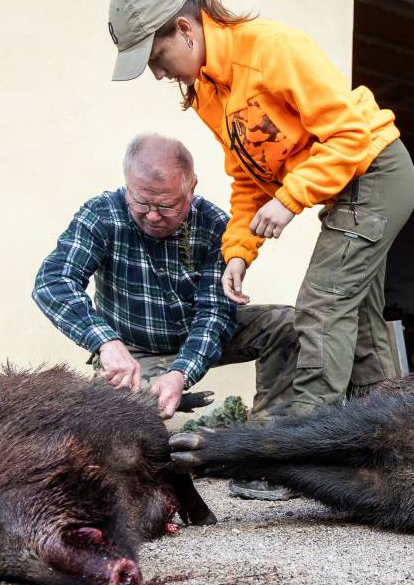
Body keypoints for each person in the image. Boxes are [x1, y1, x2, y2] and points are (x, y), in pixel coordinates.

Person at [108, 0, 414, 415]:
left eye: (157, 57)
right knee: (360, 323)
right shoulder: (209, 93)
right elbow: (249, 176)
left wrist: (290, 200)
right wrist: (238, 251)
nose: (159, 74)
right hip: (342, 186)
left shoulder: (272, 49)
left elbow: (349, 134)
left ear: (185, 29)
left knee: (322, 307)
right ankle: (386, 440)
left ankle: (304, 448)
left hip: (376, 171)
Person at [32, 134, 296, 423]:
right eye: (141, 203)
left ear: (191, 187)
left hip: (198, 335)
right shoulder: (100, 215)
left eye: (168, 206)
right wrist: (105, 342)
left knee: (290, 325)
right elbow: (53, 282)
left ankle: (269, 433)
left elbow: (214, 314)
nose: (154, 217)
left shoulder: (215, 225)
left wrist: (181, 372)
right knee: (113, 418)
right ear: (127, 185)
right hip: (131, 349)